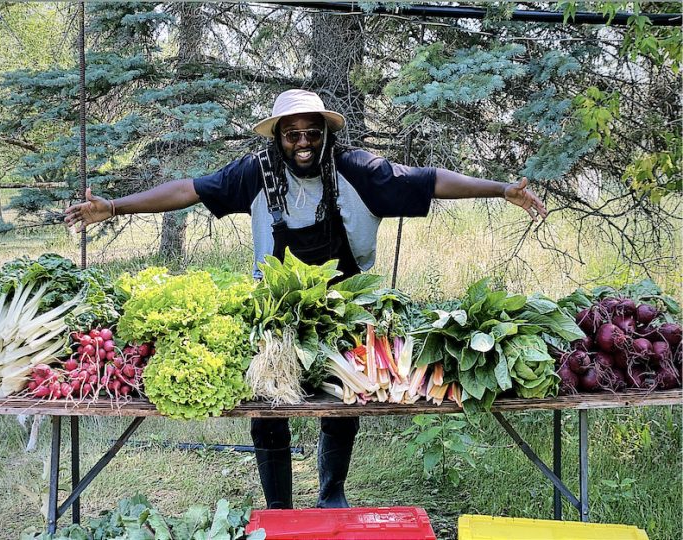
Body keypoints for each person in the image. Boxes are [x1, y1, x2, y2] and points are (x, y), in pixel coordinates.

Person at [65, 89, 547, 510]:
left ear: (325, 134)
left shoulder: (358, 169)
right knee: (267, 401)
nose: (303, 142)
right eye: (292, 134)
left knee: (343, 397)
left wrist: (502, 189)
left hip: (344, 305)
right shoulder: (255, 172)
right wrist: (114, 207)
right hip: (274, 310)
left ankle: (332, 492)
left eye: (312, 133)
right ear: (277, 137)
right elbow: (188, 190)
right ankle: (278, 505)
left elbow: (429, 180)